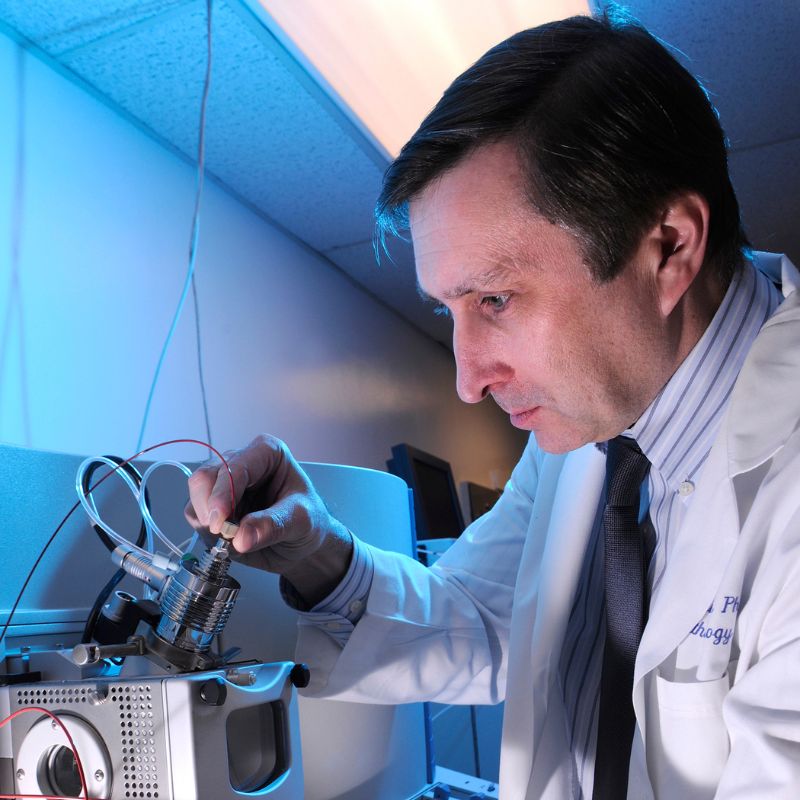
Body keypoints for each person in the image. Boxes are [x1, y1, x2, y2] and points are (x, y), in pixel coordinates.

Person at [185, 11, 800, 800]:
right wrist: (320, 559)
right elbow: (488, 615)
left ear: (670, 247)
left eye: (498, 298)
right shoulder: (596, 439)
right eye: (451, 311)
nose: (467, 380)